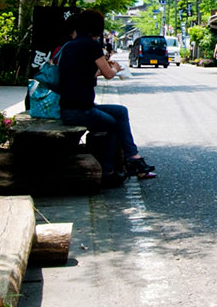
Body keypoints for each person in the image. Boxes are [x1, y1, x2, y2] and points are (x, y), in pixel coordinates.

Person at [57, 9, 156, 185]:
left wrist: (105, 70)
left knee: (120, 111)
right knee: (112, 124)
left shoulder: (69, 46)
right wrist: (116, 69)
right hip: (80, 110)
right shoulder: (91, 46)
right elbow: (109, 74)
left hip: (70, 107)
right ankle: (108, 170)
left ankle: (133, 158)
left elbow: (89, 73)